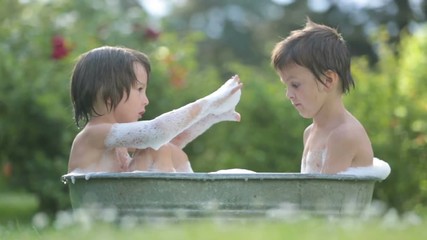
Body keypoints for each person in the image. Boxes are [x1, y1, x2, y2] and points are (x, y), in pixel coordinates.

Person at [68, 46, 242, 173]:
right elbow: (156, 132)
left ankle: (182, 205)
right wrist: (210, 102)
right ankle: (172, 209)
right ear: (107, 92)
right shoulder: (93, 135)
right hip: (102, 213)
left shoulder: (116, 142)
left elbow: (173, 141)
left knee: (167, 149)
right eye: (139, 89)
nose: (146, 100)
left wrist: (211, 116)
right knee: (157, 147)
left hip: (121, 211)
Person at [271, 19, 373, 174]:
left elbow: (323, 196)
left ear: (328, 80)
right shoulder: (310, 132)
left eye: (295, 85)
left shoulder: (344, 135)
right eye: (286, 85)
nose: (289, 94)